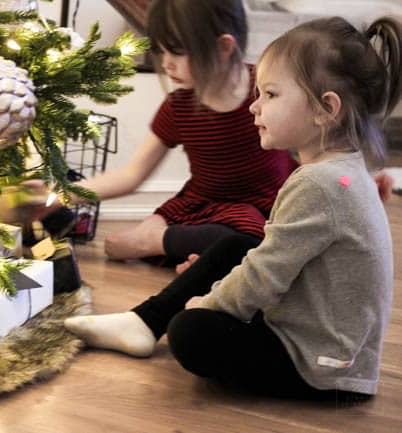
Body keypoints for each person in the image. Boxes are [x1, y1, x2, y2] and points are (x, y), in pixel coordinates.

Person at [64, 15, 401, 399]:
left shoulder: (317, 183)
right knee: (234, 249)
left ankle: (153, 321)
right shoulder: (340, 170)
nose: (255, 107)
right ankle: (142, 322)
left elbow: (264, 276)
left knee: (190, 333)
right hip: (331, 351)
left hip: (320, 368)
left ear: (326, 109)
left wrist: (205, 305)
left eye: (271, 95)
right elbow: (280, 264)